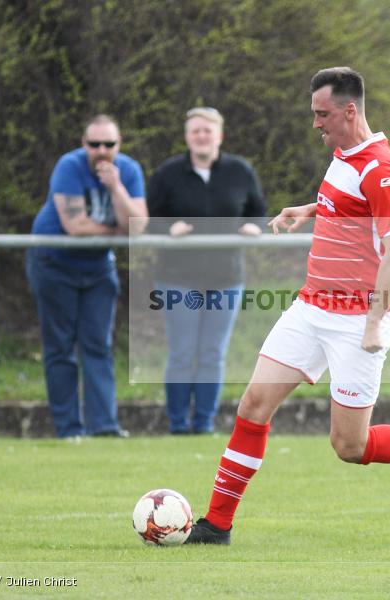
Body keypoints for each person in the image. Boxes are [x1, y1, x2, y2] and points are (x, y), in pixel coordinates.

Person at [185, 68, 390, 545]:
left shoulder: (380, 169)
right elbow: (347, 204)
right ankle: (216, 524)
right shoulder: (345, 153)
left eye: (322, 115)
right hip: (310, 308)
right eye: (313, 114)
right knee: (254, 405)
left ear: (350, 110)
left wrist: (373, 319)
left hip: (354, 323)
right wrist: (308, 209)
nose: (316, 124)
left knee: (350, 445)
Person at [147, 107, 267, 434]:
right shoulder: (168, 173)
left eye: (207, 131)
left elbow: (259, 214)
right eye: (196, 131)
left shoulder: (240, 172)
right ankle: (177, 424)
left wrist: (255, 229)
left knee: (213, 353)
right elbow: (148, 222)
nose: (202, 136)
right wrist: (167, 229)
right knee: (183, 351)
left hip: (225, 277)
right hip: (177, 278)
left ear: (219, 135)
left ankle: (204, 423)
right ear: (187, 136)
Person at [27, 114, 147, 438]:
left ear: (118, 144)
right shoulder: (69, 166)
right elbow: (75, 226)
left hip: (97, 269)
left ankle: (104, 427)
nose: (102, 151)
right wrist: (117, 231)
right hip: (54, 263)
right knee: (61, 348)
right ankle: (68, 429)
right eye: (94, 144)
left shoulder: (129, 171)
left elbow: (138, 224)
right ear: (84, 144)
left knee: (98, 346)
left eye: (109, 144)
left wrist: (115, 186)